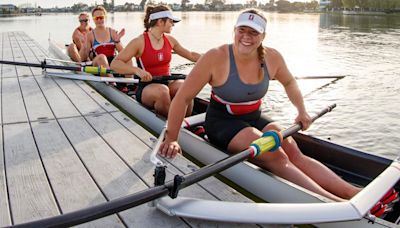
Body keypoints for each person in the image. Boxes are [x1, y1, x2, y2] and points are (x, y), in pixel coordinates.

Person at [159, 9, 363, 202]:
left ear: (263, 36)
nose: (246, 37)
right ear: (235, 31)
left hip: (254, 117)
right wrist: (173, 138)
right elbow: (182, 98)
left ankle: (352, 192)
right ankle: (333, 203)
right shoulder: (215, 57)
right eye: (242, 31)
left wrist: (301, 111)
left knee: (293, 152)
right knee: (275, 153)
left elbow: (290, 83)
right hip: (222, 122)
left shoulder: (272, 57)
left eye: (254, 32)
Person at [110, 5, 201, 117]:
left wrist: (212, 57)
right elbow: (115, 64)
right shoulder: (139, 42)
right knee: (162, 92)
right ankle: (172, 126)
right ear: (160, 22)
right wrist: (136, 70)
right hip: (146, 87)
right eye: (171, 21)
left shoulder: (170, 40)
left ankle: (185, 124)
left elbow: (191, 55)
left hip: (167, 82)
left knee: (186, 87)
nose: (173, 24)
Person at [80, 6, 128, 78]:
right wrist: (84, 46)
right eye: (96, 18)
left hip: (112, 62)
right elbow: (83, 58)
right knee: (102, 57)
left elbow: (123, 53)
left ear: (105, 17)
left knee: (128, 54)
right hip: (98, 63)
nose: (99, 20)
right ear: (93, 19)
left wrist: (117, 40)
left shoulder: (112, 31)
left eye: (101, 17)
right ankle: (112, 83)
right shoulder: (90, 35)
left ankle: (130, 83)